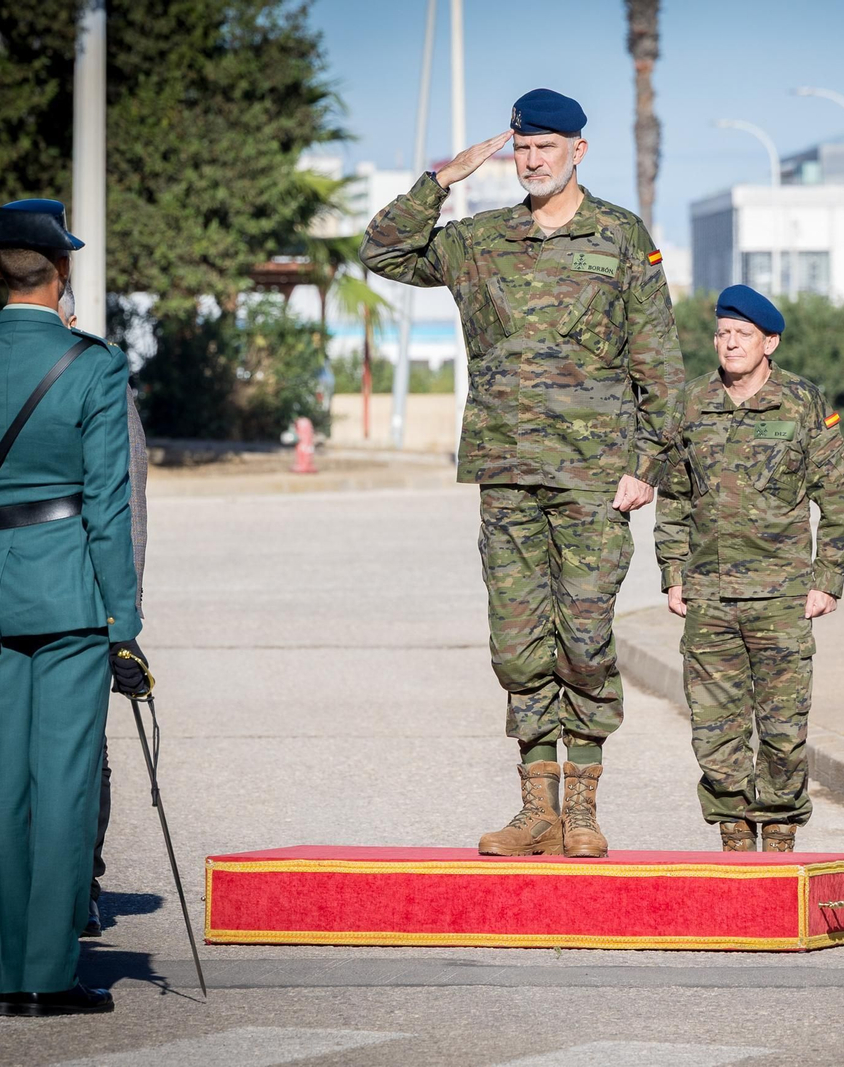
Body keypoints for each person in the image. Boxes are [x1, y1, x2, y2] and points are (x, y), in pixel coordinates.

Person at [360, 89, 683, 858]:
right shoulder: (480, 241)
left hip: (593, 478)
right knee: (516, 643)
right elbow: (383, 251)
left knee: (584, 639)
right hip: (507, 473)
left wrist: (647, 467)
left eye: (547, 146)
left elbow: (661, 368)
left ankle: (583, 807)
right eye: (522, 147)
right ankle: (536, 804)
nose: (533, 160)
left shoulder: (619, 236)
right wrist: (443, 178)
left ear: (579, 148)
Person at [0, 198, 149, 1015]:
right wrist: (125, 621)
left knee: (0, 783)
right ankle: (49, 972)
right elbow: (109, 509)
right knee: (67, 781)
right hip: (72, 595)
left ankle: (4, 975)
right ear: (63, 273)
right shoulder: (92, 365)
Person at [0, 283, 149, 942]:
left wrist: (122, 615)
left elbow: (126, 506)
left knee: (77, 747)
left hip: (78, 590)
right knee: (4, 742)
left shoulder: (94, 375)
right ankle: (7, 891)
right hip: (1, 592)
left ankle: (77, 885)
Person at [655, 285, 844, 852]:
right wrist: (673, 571)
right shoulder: (691, 402)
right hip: (709, 594)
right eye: (722, 333)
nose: (729, 344)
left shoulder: (804, 403)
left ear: (769, 342)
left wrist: (827, 581)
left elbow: (838, 502)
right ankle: (733, 829)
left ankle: (780, 828)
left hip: (782, 598)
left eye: (742, 334)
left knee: (783, 727)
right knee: (713, 726)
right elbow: (674, 495)